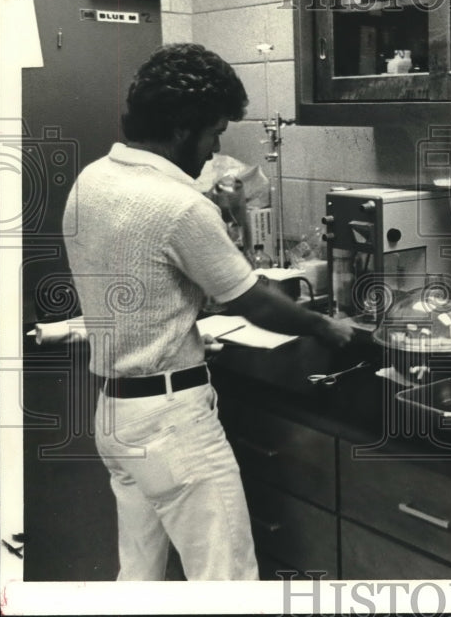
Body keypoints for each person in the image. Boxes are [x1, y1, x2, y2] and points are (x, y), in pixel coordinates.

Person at [62, 43, 351, 581]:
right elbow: (247, 298)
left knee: (140, 576)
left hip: (115, 416)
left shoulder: (94, 180)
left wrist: (180, 323)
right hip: (172, 423)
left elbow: (146, 283)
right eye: (215, 132)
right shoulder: (179, 206)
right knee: (227, 581)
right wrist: (326, 326)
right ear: (181, 127)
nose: (216, 147)